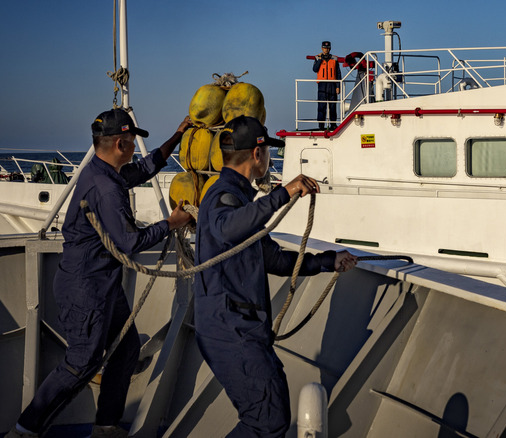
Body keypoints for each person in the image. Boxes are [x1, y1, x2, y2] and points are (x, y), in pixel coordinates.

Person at [6, 109, 193, 438]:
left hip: (103, 285)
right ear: (120, 143)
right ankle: (24, 430)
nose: (134, 147)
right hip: (86, 289)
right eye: (132, 141)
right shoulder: (106, 187)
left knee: (126, 349)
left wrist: (178, 135)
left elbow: (143, 169)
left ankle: (105, 426)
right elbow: (129, 243)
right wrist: (171, 223)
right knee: (81, 363)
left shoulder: (103, 170)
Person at [193, 115, 357, 437]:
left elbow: (275, 259)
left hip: (240, 329)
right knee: (267, 421)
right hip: (232, 330)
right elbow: (226, 228)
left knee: (273, 414)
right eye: (268, 151)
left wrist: (328, 261)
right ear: (258, 154)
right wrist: (284, 192)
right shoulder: (225, 197)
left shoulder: (238, 199)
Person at [312, 41, 342, 130]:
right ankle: (321, 125)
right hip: (322, 84)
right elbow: (315, 69)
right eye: (325, 48)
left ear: (330, 48)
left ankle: (333, 124)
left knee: (332, 106)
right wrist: (320, 59)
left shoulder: (334, 59)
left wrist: (338, 86)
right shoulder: (317, 58)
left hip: (332, 84)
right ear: (322, 48)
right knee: (322, 106)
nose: (326, 50)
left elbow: (338, 73)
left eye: (328, 48)